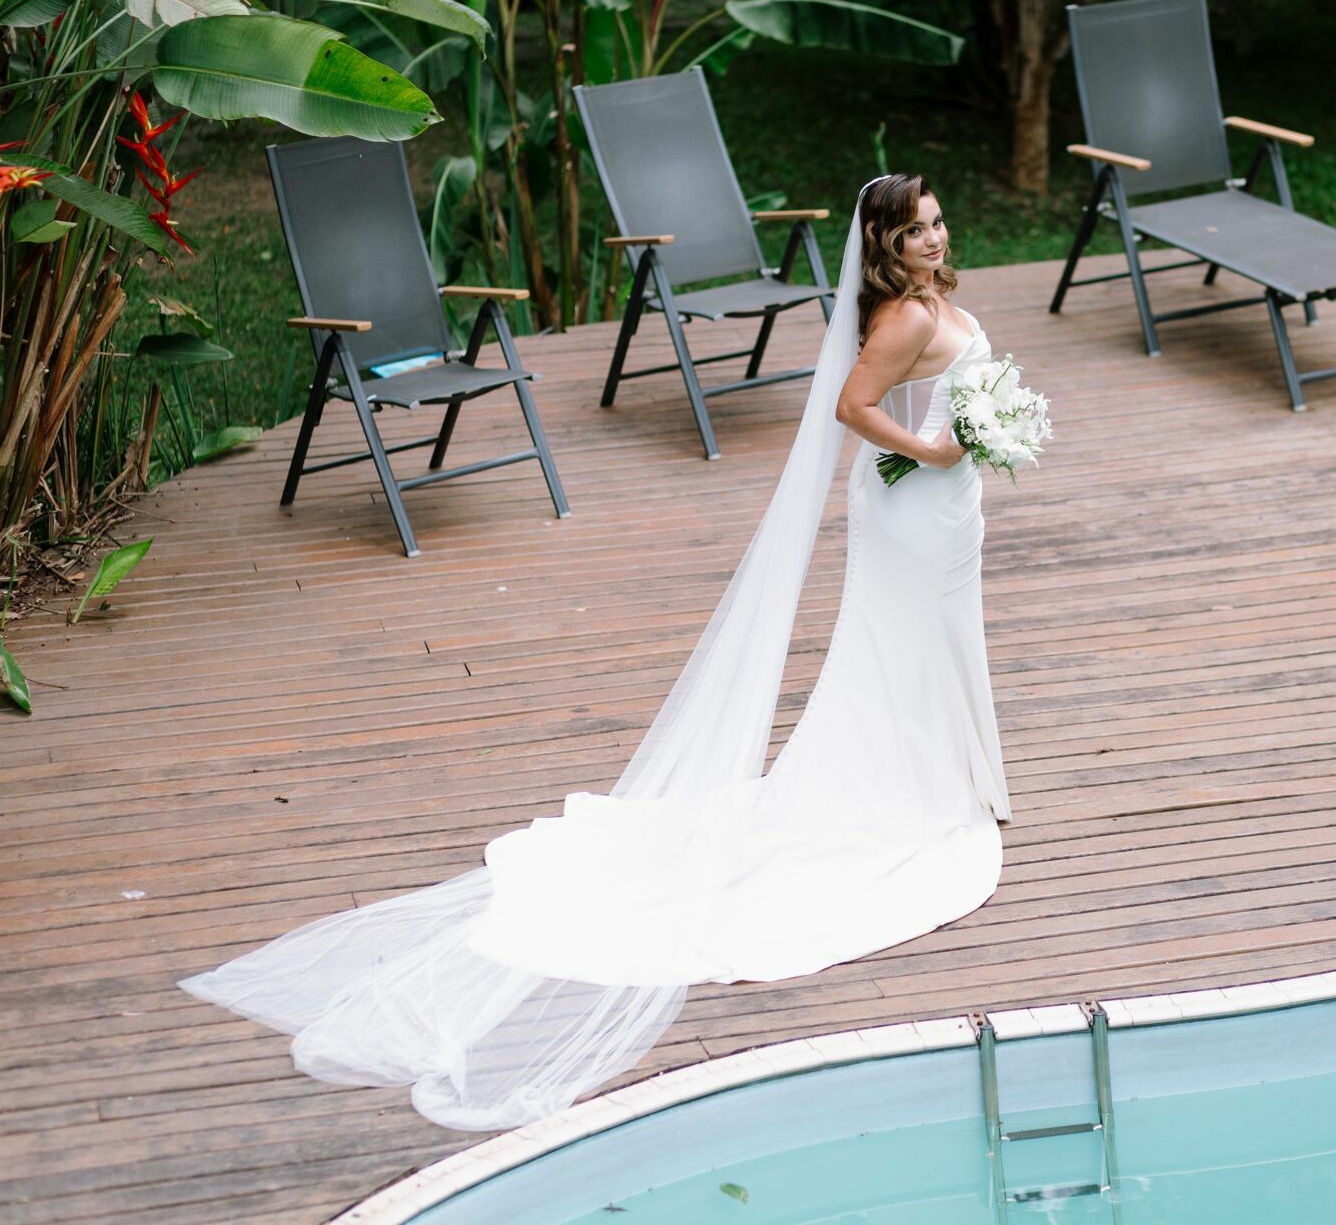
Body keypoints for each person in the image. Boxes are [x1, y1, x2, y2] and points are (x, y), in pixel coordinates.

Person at [180, 174, 1013, 1131]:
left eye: (940, 223)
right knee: (891, 651)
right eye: (917, 232)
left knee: (938, 642)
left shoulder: (929, 301)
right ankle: (909, 791)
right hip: (915, 502)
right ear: (887, 245)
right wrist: (940, 450)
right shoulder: (902, 320)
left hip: (942, 508)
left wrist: (967, 446)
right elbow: (852, 408)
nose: (935, 240)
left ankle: (948, 778)